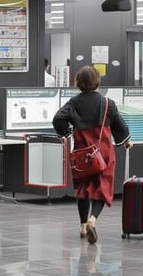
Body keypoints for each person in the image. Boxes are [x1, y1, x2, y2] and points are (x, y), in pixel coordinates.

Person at [52, 66, 132, 244]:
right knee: (102, 187)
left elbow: (58, 119)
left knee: (83, 188)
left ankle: (82, 225)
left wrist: (68, 133)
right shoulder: (107, 103)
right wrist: (126, 140)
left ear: (78, 83)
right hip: (103, 153)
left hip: (82, 153)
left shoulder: (73, 102)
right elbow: (120, 125)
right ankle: (92, 220)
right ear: (97, 81)